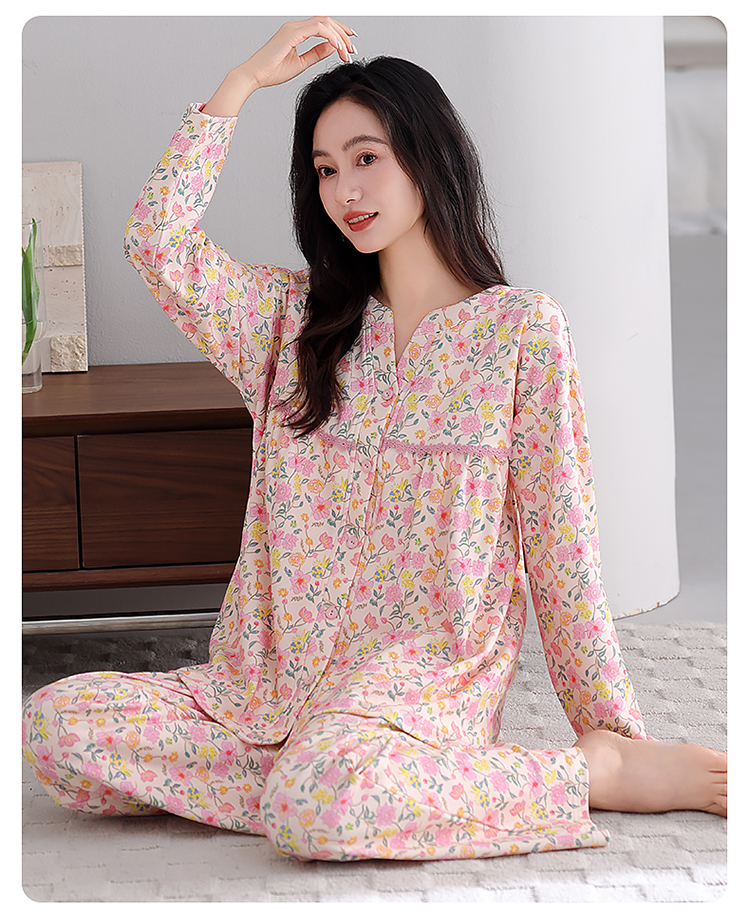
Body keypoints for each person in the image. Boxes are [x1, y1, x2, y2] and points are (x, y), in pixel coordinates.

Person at [23, 17, 727, 862]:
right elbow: (158, 244)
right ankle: (322, 784)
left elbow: (562, 549)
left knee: (323, 798)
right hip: (260, 695)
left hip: (406, 697)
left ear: (428, 157)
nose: (345, 189)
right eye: (325, 169)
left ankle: (564, 774)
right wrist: (241, 84)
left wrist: (612, 735)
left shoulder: (519, 334)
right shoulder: (290, 325)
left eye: (367, 158)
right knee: (55, 726)